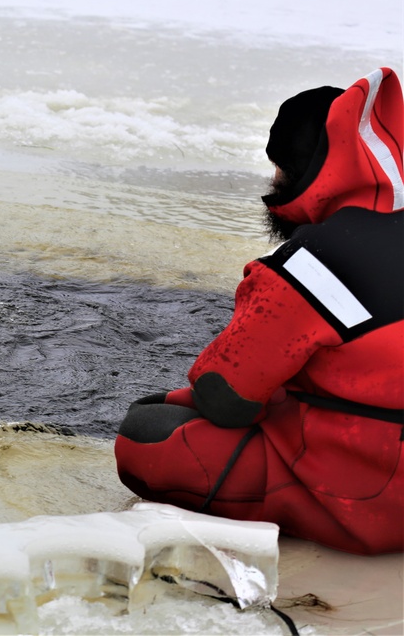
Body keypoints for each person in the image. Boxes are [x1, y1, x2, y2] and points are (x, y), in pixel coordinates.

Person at [114, 67, 403, 555]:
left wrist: (183, 398)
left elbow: (223, 395)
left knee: (146, 432)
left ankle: (312, 514)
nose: (272, 183)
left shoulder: (311, 263)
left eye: (280, 166)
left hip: (369, 497)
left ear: (313, 170)